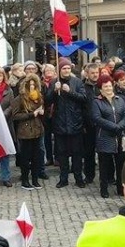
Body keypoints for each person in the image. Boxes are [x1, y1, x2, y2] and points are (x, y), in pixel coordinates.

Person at [47, 57, 89, 188]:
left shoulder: (77, 82)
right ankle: (63, 178)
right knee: (62, 154)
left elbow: (83, 98)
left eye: (68, 68)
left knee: (77, 153)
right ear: (59, 70)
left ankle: (78, 178)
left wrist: (69, 91)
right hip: (60, 123)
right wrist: (55, 91)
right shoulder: (54, 82)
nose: (66, 70)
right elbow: (47, 100)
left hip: (75, 123)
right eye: (64, 68)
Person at [91, 74, 125, 199]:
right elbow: (97, 118)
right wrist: (114, 126)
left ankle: (120, 187)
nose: (108, 88)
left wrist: (120, 126)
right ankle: (104, 189)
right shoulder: (97, 102)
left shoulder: (119, 100)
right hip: (105, 137)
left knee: (120, 164)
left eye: (109, 86)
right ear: (100, 89)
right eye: (105, 86)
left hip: (119, 137)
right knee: (105, 165)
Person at [10, 73, 46, 190]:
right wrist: (31, 114)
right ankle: (25, 180)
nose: (31, 87)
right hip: (25, 132)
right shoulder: (19, 99)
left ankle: (35, 179)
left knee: (37, 157)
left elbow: (42, 110)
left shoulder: (38, 97)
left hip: (37, 129)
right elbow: (15, 116)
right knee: (25, 157)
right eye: (29, 85)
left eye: (33, 85)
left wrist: (41, 112)